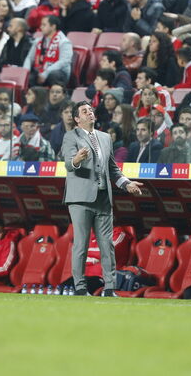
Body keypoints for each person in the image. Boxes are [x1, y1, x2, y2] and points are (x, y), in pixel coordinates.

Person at [63, 101, 144, 296]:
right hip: (80, 199)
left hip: (103, 198)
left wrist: (126, 183)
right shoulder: (70, 136)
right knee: (81, 244)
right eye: (84, 111)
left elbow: (113, 169)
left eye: (91, 110)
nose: (89, 113)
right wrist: (77, 160)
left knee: (107, 245)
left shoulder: (105, 138)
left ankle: (109, 288)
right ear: (77, 118)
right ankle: (81, 287)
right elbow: (67, 163)